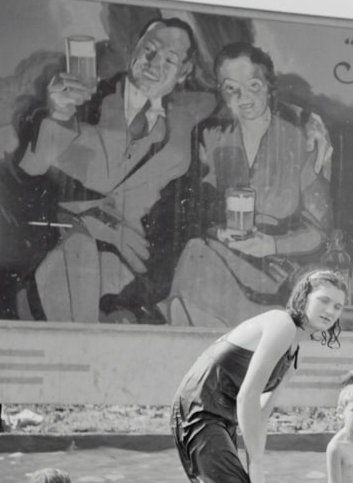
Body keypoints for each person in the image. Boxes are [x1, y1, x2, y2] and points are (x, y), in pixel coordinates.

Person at [16, 18, 216, 323]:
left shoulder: (185, 130)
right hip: (58, 253)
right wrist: (57, 114)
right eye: (149, 49)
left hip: (128, 276)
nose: (153, 63)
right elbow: (26, 178)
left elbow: (182, 223)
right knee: (79, 249)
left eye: (170, 59)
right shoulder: (82, 98)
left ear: (185, 72)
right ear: (134, 48)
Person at [171, 269, 347, 483]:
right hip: (199, 414)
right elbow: (247, 397)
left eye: (338, 306)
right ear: (303, 297)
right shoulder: (280, 324)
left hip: (220, 422)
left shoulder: (293, 354)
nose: (330, 311)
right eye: (324, 301)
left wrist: (257, 465)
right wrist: (255, 465)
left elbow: (262, 413)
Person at [168, 42, 333, 327]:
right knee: (195, 254)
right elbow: (194, 209)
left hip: (275, 273)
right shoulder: (211, 135)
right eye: (231, 88)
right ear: (220, 91)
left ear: (269, 86)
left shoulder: (300, 139)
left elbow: (319, 233)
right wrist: (219, 230)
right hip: (219, 259)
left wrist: (271, 244)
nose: (243, 97)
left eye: (253, 85)